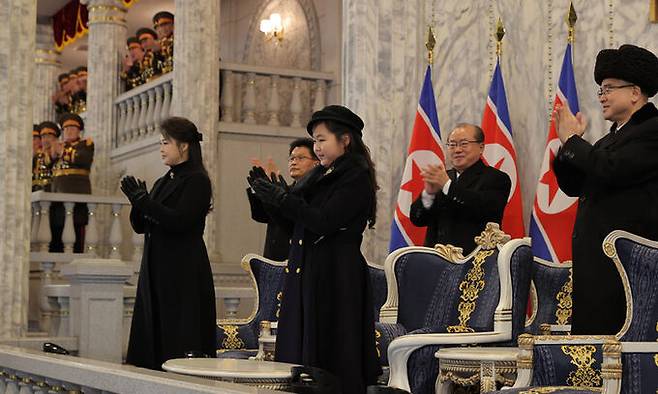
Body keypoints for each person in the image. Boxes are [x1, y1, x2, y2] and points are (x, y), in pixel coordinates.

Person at [248, 105, 382, 393]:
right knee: (302, 348)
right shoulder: (318, 176)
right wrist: (265, 196)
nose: (317, 147)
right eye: (315, 141)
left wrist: (283, 199)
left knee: (332, 352)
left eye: (322, 140)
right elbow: (291, 222)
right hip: (309, 270)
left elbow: (324, 221)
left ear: (345, 140)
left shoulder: (354, 176)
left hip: (335, 274)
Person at [553, 44, 658, 335]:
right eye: (600, 90)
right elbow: (574, 186)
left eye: (609, 88)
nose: (602, 97)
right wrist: (568, 146)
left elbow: (612, 169)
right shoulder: (608, 140)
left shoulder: (652, 130)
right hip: (597, 265)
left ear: (635, 93)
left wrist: (574, 142)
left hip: (627, 267)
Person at [122, 116, 216, 370]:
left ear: (184, 145)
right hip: (156, 267)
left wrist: (146, 203)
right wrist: (137, 203)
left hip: (181, 269)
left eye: (166, 142)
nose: (161, 149)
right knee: (152, 334)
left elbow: (180, 221)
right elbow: (141, 226)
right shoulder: (164, 180)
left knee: (177, 333)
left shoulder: (197, 180)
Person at [409, 123, 511, 254]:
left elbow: (481, 207)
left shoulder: (496, 178)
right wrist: (429, 194)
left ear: (481, 147)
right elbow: (418, 220)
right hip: (436, 259)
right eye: (452, 144)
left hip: (474, 261)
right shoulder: (443, 177)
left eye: (464, 144)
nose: (457, 150)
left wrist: (447, 186)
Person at [246, 138, 319, 260]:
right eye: (291, 158)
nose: (294, 162)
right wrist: (259, 190)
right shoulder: (282, 189)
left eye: (301, 158)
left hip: (297, 261)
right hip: (272, 259)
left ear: (316, 163)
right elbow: (260, 216)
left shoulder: (317, 193)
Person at [50, 113, 94, 253]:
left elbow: (83, 159)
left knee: (76, 235)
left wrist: (62, 151)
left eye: (72, 128)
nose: (68, 130)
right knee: (56, 234)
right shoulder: (57, 147)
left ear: (79, 130)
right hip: (57, 201)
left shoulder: (85, 144)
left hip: (77, 200)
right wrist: (51, 154)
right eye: (65, 128)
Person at [32, 121, 60, 192]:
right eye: (43, 137)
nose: (45, 140)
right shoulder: (37, 156)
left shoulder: (59, 155)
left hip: (52, 192)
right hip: (35, 193)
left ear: (55, 139)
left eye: (49, 137)